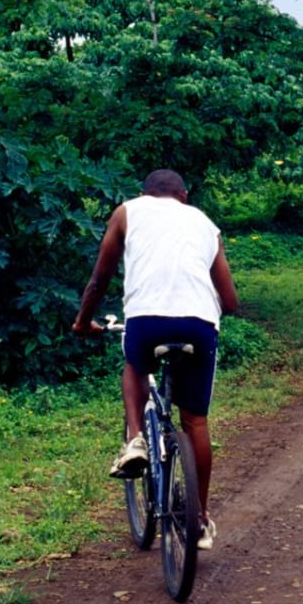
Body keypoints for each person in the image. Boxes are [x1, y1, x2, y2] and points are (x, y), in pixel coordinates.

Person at [73, 169, 240, 550]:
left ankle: (135, 440)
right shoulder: (204, 223)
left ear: (144, 193)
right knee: (195, 421)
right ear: (184, 195)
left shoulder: (127, 212)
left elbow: (99, 278)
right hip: (199, 323)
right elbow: (230, 301)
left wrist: (83, 321)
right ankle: (199, 519)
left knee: (135, 365)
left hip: (145, 320)